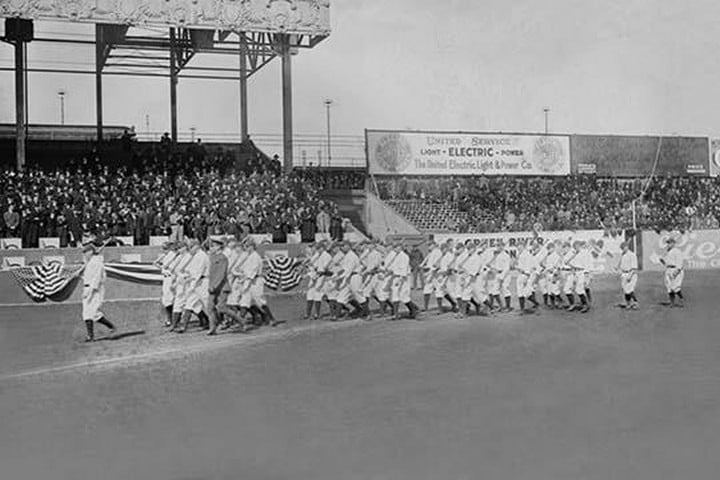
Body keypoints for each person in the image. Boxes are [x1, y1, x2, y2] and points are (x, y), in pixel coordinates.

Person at [81, 243, 116, 342]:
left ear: (91, 252)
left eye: (86, 252)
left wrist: (90, 291)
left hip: (94, 290)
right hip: (87, 288)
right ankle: (110, 326)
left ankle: (91, 336)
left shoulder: (97, 263)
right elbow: (88, 277)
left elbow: (96, 278)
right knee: (89, 313)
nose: (85, 255)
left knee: (91, 313)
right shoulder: (91, 262)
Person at [177, 238, 210, 333]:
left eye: (191, 247)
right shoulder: (196, 256)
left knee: (207, 304)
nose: (190, 249)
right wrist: (186, 277)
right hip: (196, 283)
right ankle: (184, 326)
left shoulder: (202, 256)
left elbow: (198, 273)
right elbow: (191, 270)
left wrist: (190, 282)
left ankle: (217, 321)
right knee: (190, 304)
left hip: (203, 282)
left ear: (196, 246)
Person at [388, 242, 419, 320]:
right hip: (396, 277)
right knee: (401, 296)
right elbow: (394, 267)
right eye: (394, 247)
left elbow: (403, 269)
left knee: (400, 295)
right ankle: (413, 309)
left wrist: (400, 278)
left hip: (402, 278)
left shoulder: (404, 256)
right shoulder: (397, 256)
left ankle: (396, 314)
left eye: (396, 247)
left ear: (399, 247)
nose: (394, 249)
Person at [206, 238, 229, 336]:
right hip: (212, 285)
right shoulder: (212, 257)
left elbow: (221, 274)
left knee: (221, 308)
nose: (212, 248)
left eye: (214, 246)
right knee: (210, 307)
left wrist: (214, 286)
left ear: (219, 247)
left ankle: (240, 320)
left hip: (221, 286)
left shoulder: (223, 258)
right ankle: (212, 328)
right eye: (211, 246)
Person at [154, 241, 178, 327]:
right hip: (166, 278)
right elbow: (155, 263)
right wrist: (161, 259)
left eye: (164, 248)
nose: (163, 250)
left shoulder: (172, 255)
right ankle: (170, 319)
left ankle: (171, 320)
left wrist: (163, 265)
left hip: (170, 278)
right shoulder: (167, 255)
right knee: (166, 300)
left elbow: (169, 267)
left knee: (169, 300)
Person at [659, 236, 685, 307]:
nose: (668, 244)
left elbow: (680, 262)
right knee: (669, 287)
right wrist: (662, 261)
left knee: (675, 287)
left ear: (673, 243)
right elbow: (666, 263)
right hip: (669, 269)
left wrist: (677, 270)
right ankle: (672, 302)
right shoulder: (668, 251)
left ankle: (681, 299)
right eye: (667, 243)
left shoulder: (677, 251)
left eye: (669, 243)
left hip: (675, 269)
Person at [420, 241, 442, 311]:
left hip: (436, 274)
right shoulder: (430, 253)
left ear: (434, 245)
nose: (429, 246)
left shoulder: (438, 252)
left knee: (439, 291)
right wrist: (423, 266)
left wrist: (430, 269)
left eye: (430, 245)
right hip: (430, 274)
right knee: (426, 290)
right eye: (428, 245)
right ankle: (426, 307)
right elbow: (426, 262)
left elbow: (437, 264)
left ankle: (440, 308)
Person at [618, 241, 639, 309]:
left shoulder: (632, 255)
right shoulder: (623, 255)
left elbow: (634, 267)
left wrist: (630, 275)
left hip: (630, 274)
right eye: (621, 248)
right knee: (625, 290)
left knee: (629, 289)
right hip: (624, 273)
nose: (622, 249)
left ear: (626, 247)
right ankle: (628, 303)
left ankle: (635, 302)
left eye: (623, 248)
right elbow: (621, 264)